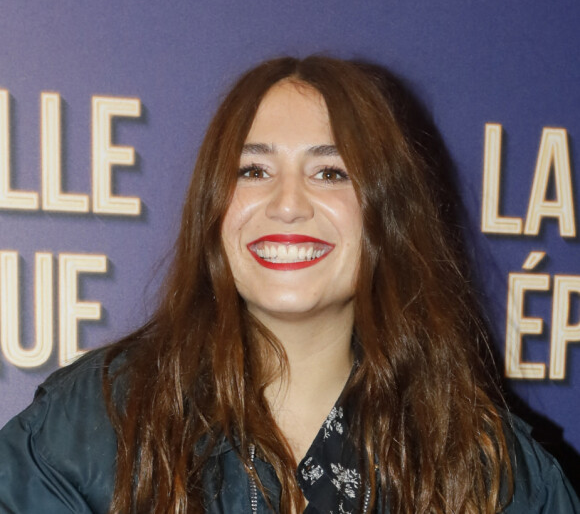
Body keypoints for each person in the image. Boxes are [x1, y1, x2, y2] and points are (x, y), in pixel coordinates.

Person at [0, 56, 578, 514]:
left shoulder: (484, 465)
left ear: (385, 213)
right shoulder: (95, 422)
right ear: (214, 208)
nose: (287, 203)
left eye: (330, 172)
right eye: (253, 171)